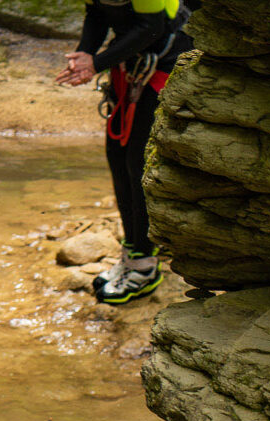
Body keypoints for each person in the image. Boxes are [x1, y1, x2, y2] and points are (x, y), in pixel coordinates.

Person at [55, 0, 193, 305]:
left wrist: (96, 62)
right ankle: (133, 251)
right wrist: (86, 52)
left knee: (138, 164)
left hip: (167, 59)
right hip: (132, 61)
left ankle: (143, 265)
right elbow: (96, 12)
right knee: (117, 157)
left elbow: (152, 26)